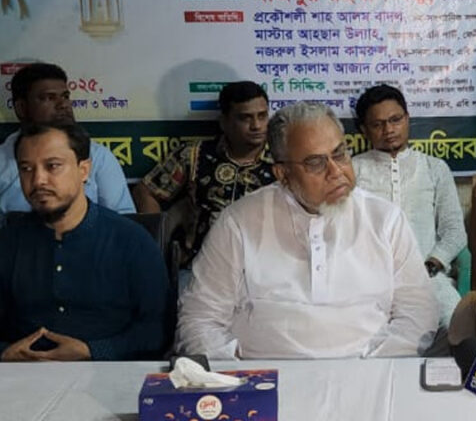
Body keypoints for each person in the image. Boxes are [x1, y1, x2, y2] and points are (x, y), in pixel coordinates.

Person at [176, 102, 437, 359]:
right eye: (315, 163)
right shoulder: (238, 222)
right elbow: (199, 318)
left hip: (368, 371)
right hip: (266, 377)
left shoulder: (385, 220)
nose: (336, 171)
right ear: (283, 174)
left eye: (339, 154)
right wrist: (240, 374)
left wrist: (371, 367)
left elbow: (418, 314)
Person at [0, 122, 169, 361]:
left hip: (110, 375)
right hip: (21, 375)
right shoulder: (8, 242)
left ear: (84, 170)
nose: (38, 180)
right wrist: (5, 353)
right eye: (26, 168)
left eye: (53, 166)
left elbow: (157, 330)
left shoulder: (131, 241)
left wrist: (92, 351)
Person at [352, 85, 466, 327]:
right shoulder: (351, 171)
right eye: (378, 124)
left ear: (407, 119)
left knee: (457, 327)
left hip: (428, 280)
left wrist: (430, 266)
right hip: (368, 284)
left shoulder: (435, 168)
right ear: (364, 129)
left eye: (395, 120)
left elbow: (454, 231)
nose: (389, 130)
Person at [133, 81, 275, 265]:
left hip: (266, 265)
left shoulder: (283, 158)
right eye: (245, 118)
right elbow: (146, 191)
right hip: (202, 264)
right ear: (224, 122)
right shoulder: (193, 155)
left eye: (262, 116)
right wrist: (156, 247)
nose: (256, 126)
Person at [0, 63, 134, 214]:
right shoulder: (2, 161)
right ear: (22, 108)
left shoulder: (98, 156)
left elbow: (124, 218)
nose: (63, 105)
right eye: (49, 98)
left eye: (65, 96)